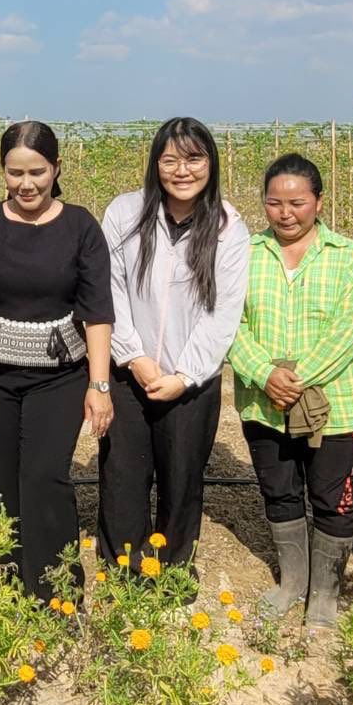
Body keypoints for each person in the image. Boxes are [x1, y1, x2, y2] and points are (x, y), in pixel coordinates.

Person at [0, 120, 115, 602]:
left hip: (60, 378)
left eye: (37, 172)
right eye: (15, 172)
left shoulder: (81, 226)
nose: (26, 184)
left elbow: (97, 311)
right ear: (2, 171)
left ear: (56, 168)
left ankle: (55, 591)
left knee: (44, 478)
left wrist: (99, 386)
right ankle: (1, 588)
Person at [99, 117, 249, 588]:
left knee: (182, 478)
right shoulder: (125, 214)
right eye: (170, 159)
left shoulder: (228, 226)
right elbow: (110, 290)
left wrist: (186, 374)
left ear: (211, 163)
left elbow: (224, 311)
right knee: (123, 475)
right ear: (155, 164)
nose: (182, 170)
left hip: (191, 381)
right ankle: (124, 569)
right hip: (128, 371)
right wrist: (134, 357)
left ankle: (173, 569)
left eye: (193, 158)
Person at [229, 154, 353, 628]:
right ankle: (292, 582)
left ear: (318, 202)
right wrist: (262, 372)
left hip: (335, 405)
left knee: (333, 498)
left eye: (297, 202)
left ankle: (324, 593)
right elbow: (230, 323)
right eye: (274, 202)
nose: (285, 213)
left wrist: (298, 376)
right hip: (264, 403)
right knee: (280, 491)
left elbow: (349, 330)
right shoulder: (245, 253)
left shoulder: (347, 255)